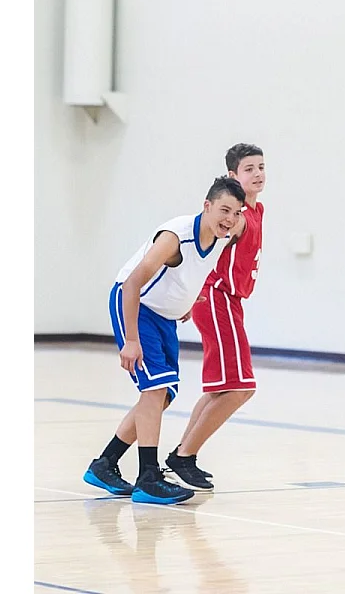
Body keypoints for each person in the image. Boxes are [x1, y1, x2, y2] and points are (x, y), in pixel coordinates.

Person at [83, 176, 246, 504]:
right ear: (207, 205)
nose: (229, 218)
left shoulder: (224, 233)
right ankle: (148, 477)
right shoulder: (175, 238)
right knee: (153, 390)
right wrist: (131, 340)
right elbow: (131, 285)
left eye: (236, 212)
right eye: (224, 210)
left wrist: (187, 300)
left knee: (163, 396)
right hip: (136, 306)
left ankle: (105, 464)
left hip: (164, 316)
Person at [166, 144, 267, 490]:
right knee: (241, 388)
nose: (257, 174)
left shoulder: (257, 211)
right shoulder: (236, 218)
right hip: (216, 296)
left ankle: (182, 454)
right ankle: (183, 457)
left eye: (261, 167)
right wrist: (191, 293)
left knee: (221, 389)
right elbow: (206, 249)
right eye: (248, 169)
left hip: (230, 299)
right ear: (232, 176)